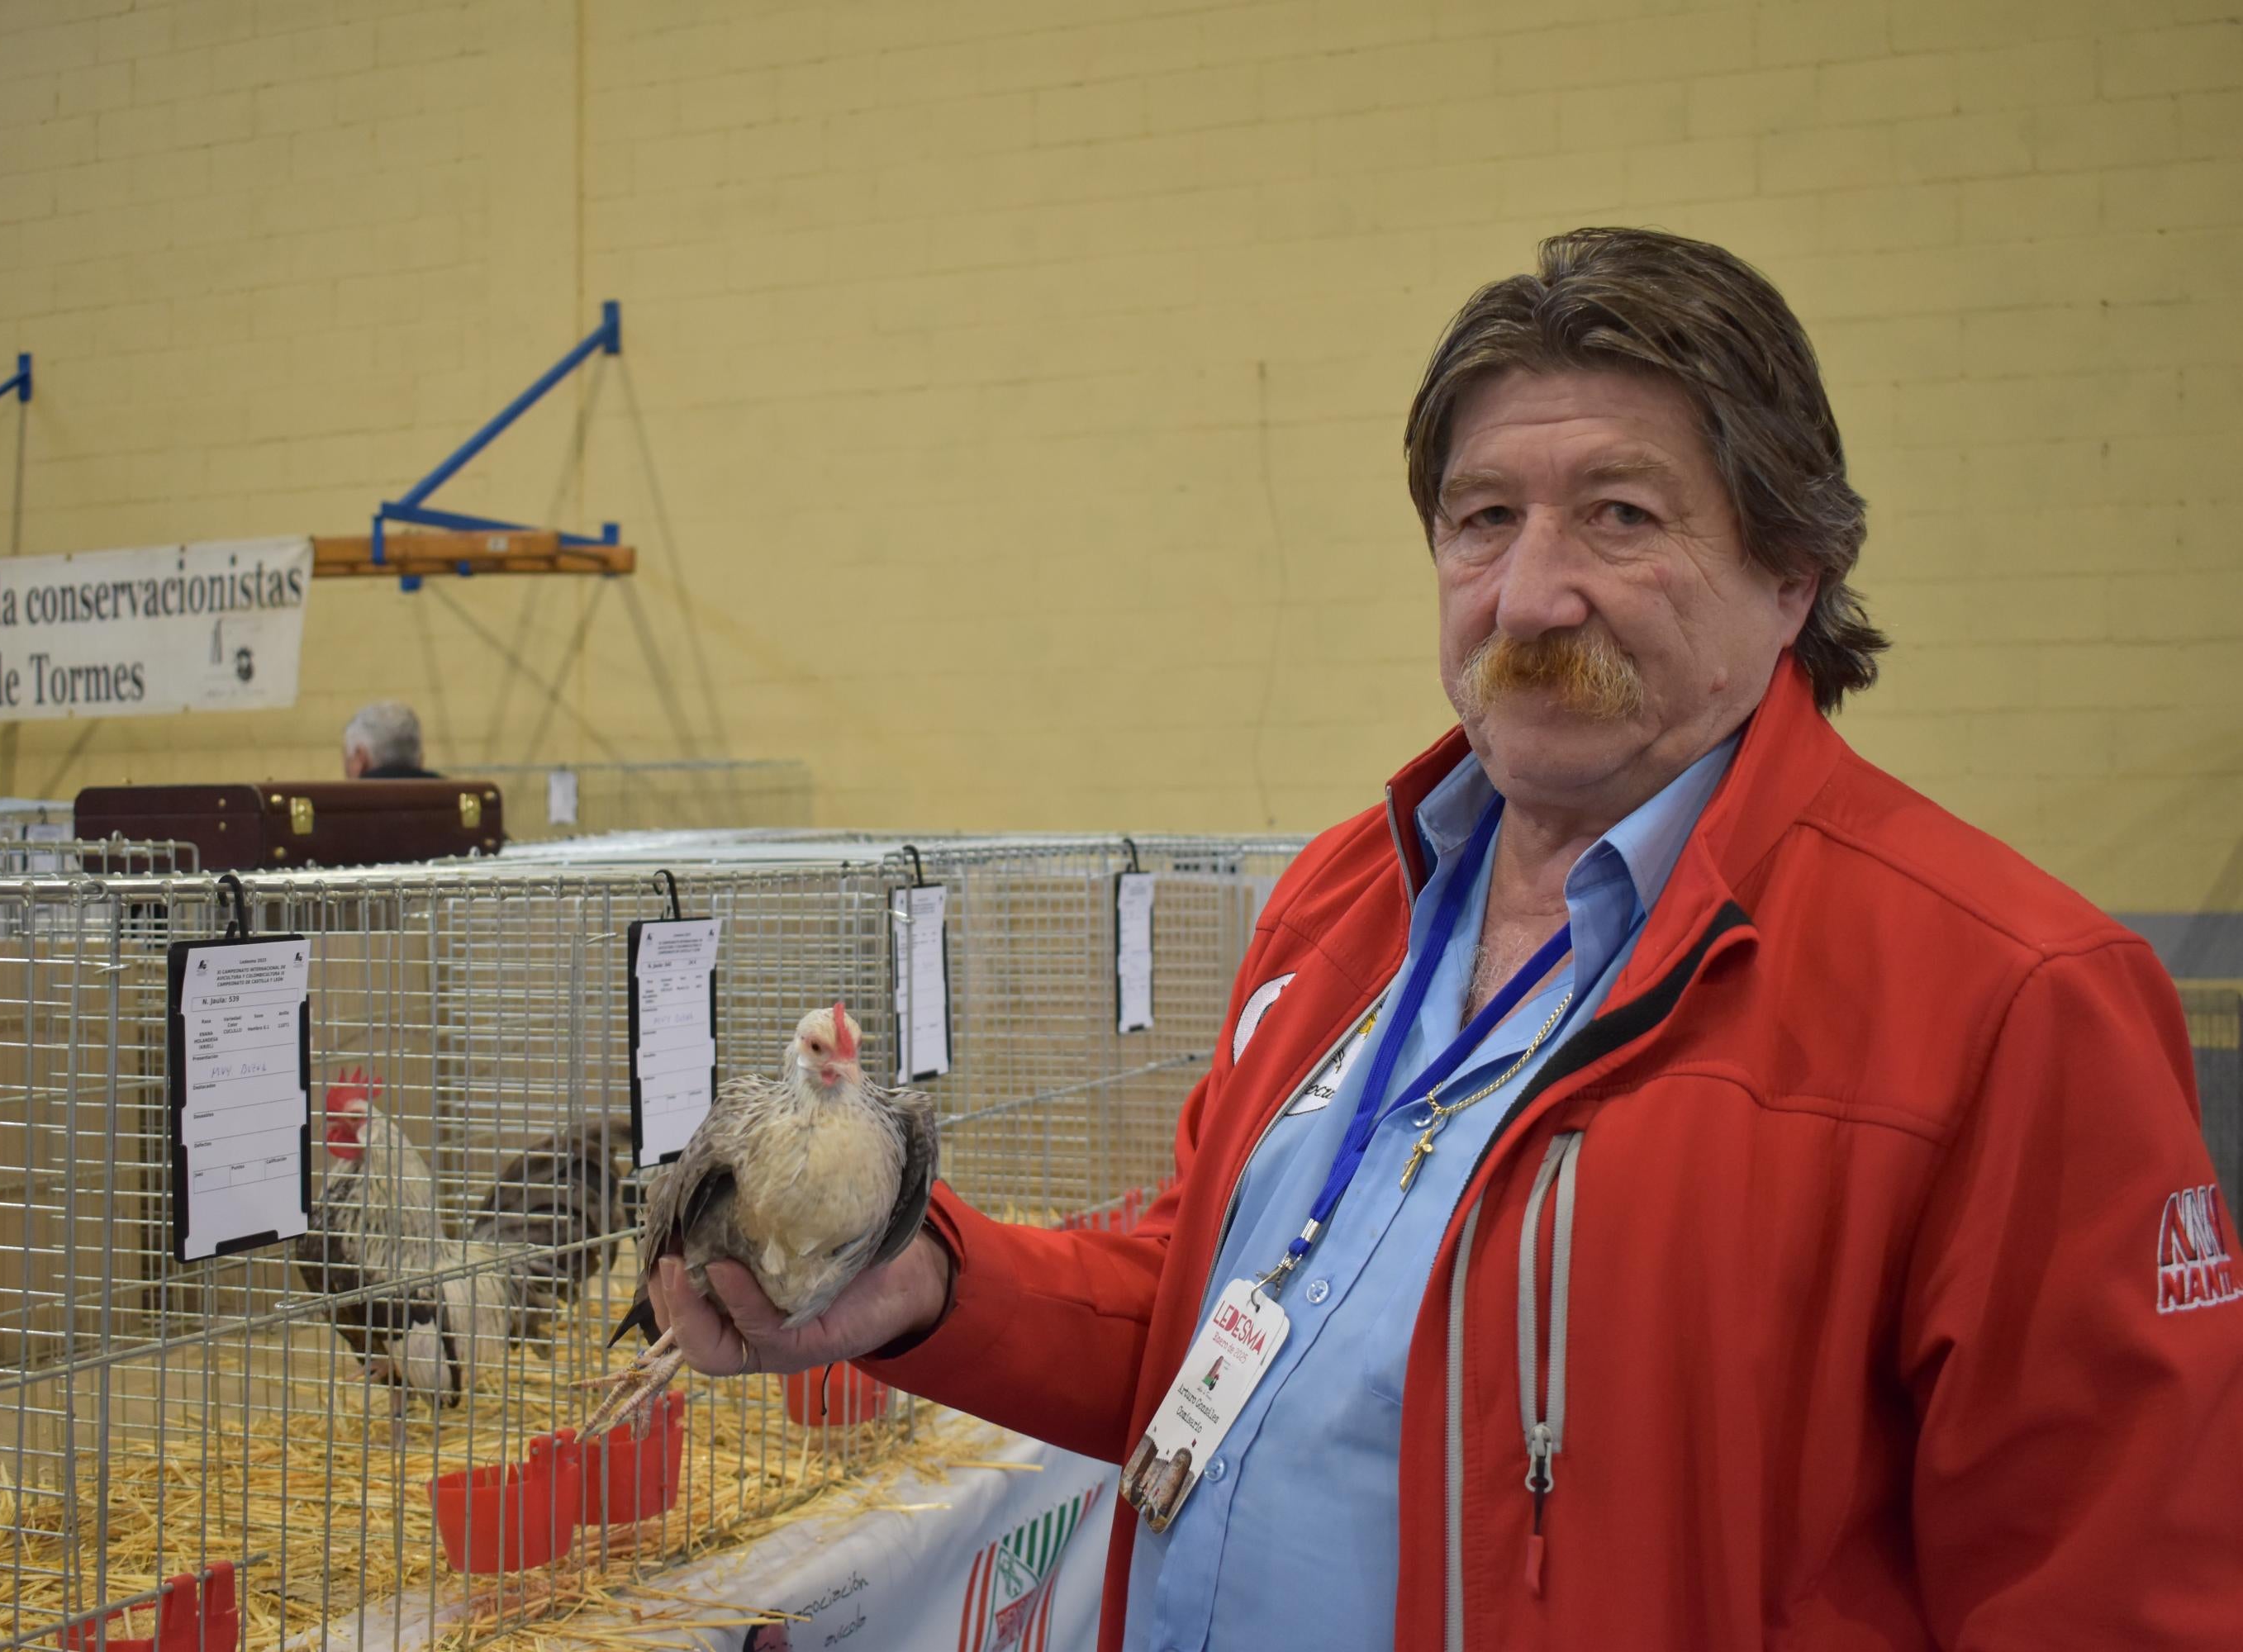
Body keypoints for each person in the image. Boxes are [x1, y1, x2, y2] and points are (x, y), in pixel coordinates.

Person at [649, 229, 2243, 1648]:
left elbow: (2105, 1590)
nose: (1532, 593)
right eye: (1484, 519)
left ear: (1793, 572)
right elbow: (1223, 1304)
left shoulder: (2009, 1000)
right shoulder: (1352, 896)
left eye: (1619, 516)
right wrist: (926, 1285)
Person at [340, 700, 438, 779]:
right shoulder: (451, 798)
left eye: (349, 759)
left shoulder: (338, 802)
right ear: (420, 761)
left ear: (361, 760)